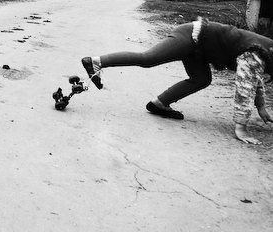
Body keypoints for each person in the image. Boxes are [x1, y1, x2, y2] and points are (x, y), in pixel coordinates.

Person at [81, 17, 273, 144]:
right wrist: (241, 126)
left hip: (201, 49)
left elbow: (253, 79)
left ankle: (160, 104)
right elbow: (245, 88)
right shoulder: (258, 54)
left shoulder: (265, 54)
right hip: (191, 35)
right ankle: (96, 62)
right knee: (148, 59)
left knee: (201, 79)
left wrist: (261, 107)